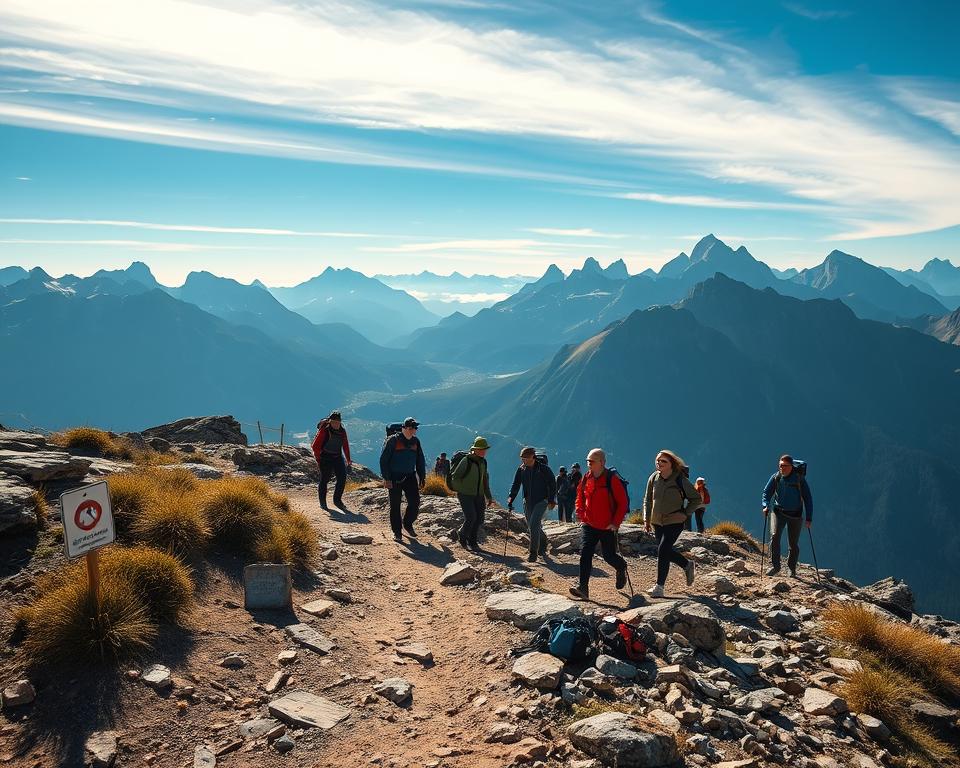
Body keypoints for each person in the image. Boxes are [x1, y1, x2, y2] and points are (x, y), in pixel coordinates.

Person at [569, 448, 628, 600]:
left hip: (607, 526)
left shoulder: (611, 480)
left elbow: (622, 503)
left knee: (609, 556)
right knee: (585, 553)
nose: (588, 463)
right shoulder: (586, 477)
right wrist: (581, 512)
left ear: (602, 462)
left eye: (592, 461)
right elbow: (580, 496)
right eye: (588, 461)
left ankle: (621, 567)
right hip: (589, 524)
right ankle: (583, 588)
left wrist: (615, 523)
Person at [642, 450, 702, 598]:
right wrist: (646, 519)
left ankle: (659, 587)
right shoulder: (653, 478)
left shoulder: (679, 479)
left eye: (663, 461)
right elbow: (647, 500)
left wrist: (685, 513)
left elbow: (696, 499)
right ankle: (687, 565)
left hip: (674, 521)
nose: (659, 463)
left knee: (663, 550)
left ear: (671, 464)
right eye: (658, 460)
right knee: (666, 551)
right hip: (657, 522)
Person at [761, 455, 813, 578]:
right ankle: (775, 566)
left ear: (791, 467)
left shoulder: (799, 479)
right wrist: (765, 505)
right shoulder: (776, 477)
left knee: (793, 544)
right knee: (774, 537)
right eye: (780, 465)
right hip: (777, 511)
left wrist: (809, 518)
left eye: (784, 466)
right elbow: (766, 492)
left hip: (795, 515)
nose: (781, 468)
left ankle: (791, 569)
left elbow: (808, 498)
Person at [379, 417, 426, 542]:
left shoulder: (416, 442)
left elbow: (420, 460)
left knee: (415, 502)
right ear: (404, 428)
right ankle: (397, 532)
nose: (413, 430)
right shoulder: (393, 441)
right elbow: (384, 460)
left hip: (410, 476)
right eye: (411, 428)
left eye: (415, 428)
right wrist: (386, 478)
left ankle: (407, 523)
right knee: (395, 505)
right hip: (394, 477)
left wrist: (422, 477)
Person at [507, 447, 557, 562]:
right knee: (531, 526)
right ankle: (543, 541)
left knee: (534, 524)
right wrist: (510, 499)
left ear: (532, 457)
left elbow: (552, 484)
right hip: (527, 501)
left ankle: (533, 553)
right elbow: (515, 485)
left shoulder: (544, 469)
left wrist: (551, 500)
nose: (523, 461)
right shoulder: (521, 469)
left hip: (541, 501)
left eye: (525, 458)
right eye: (522, 458)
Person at [448, 437, 494, 550]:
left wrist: (489, 497)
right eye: (481, 449)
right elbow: (455, 475)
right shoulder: (466, 461)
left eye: (485, 449)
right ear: (475, 449)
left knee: (479, 519)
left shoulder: (483, 462)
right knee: (471, 517)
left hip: (479, 495)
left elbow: (485, 480)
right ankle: (463, 535)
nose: (484, 451)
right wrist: (462, 488)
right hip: (465, 494)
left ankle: (472, 542)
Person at [311, 410, 351, 511]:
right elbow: (315, 446)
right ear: (330, 422)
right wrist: (318, 459)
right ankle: (323, 502)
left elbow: (345, 446)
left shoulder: (342, 431)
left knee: (342, 478)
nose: (336, 424)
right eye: (334, 422)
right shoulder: (324, 430)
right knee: (325, 479)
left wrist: (348, 460)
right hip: (325, 457)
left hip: (337, 456)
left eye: (338, 422)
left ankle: (337, 500)